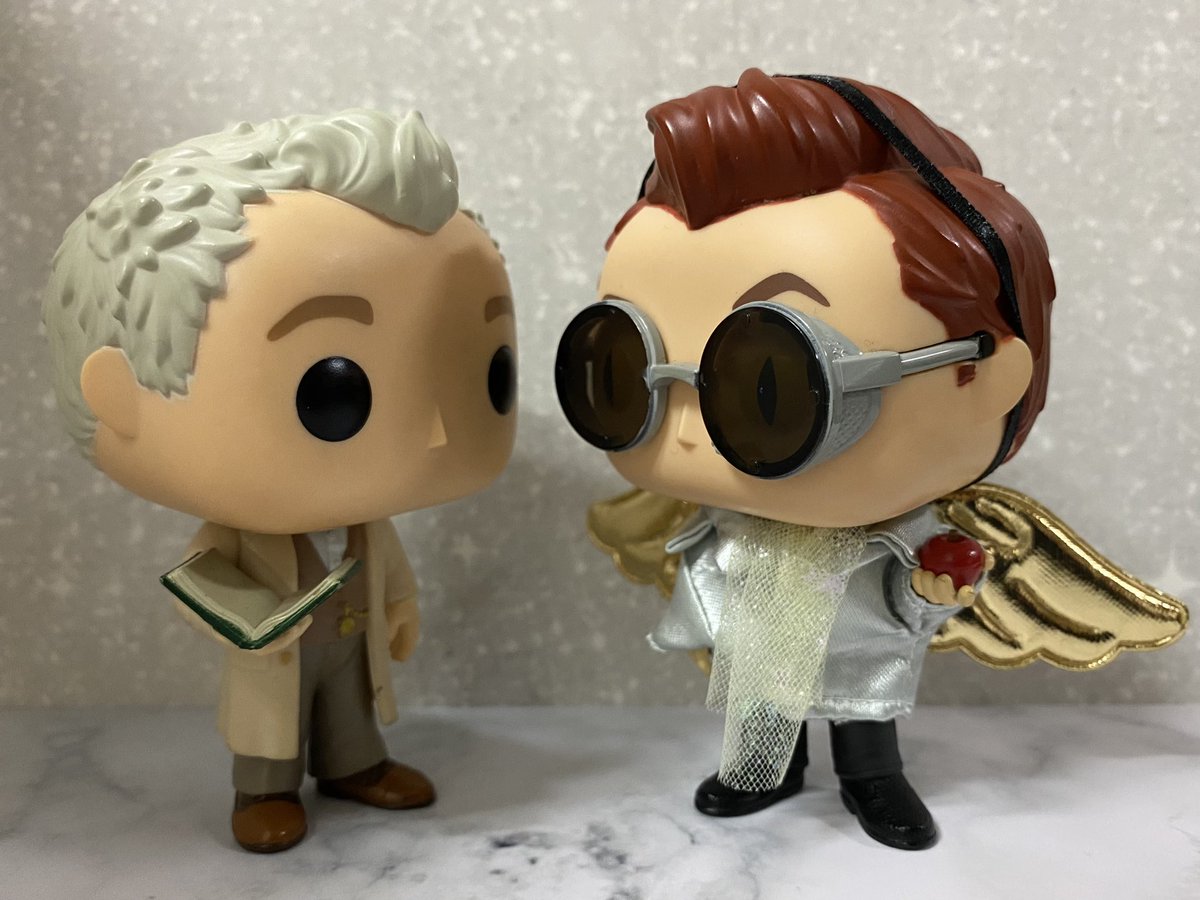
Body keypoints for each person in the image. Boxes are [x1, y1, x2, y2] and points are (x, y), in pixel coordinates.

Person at [555, 69, 1054, 850]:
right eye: (623, 369)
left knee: (862, 699)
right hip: (759, 618)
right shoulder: (722, 514)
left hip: (857, 622)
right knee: (760, 695)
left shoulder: (894, 527)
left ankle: (871, 775)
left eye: (770, 383)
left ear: (984, 379)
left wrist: (934, 585)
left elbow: (925, 588)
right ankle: (765, 769)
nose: (685, 431)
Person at [43, 109, 518, 852]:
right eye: (334, 390)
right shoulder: (236, 536)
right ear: (118, 397)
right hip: (276, 653)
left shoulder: (366, 525)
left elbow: (386, 567)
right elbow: (203, 583)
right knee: (272, 728)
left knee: (351, 710)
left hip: (350, 640)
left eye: (491, 372)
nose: (434, 432)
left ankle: (355, 766)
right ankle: (264, 790)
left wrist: (399, 605)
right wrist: (249, 622)